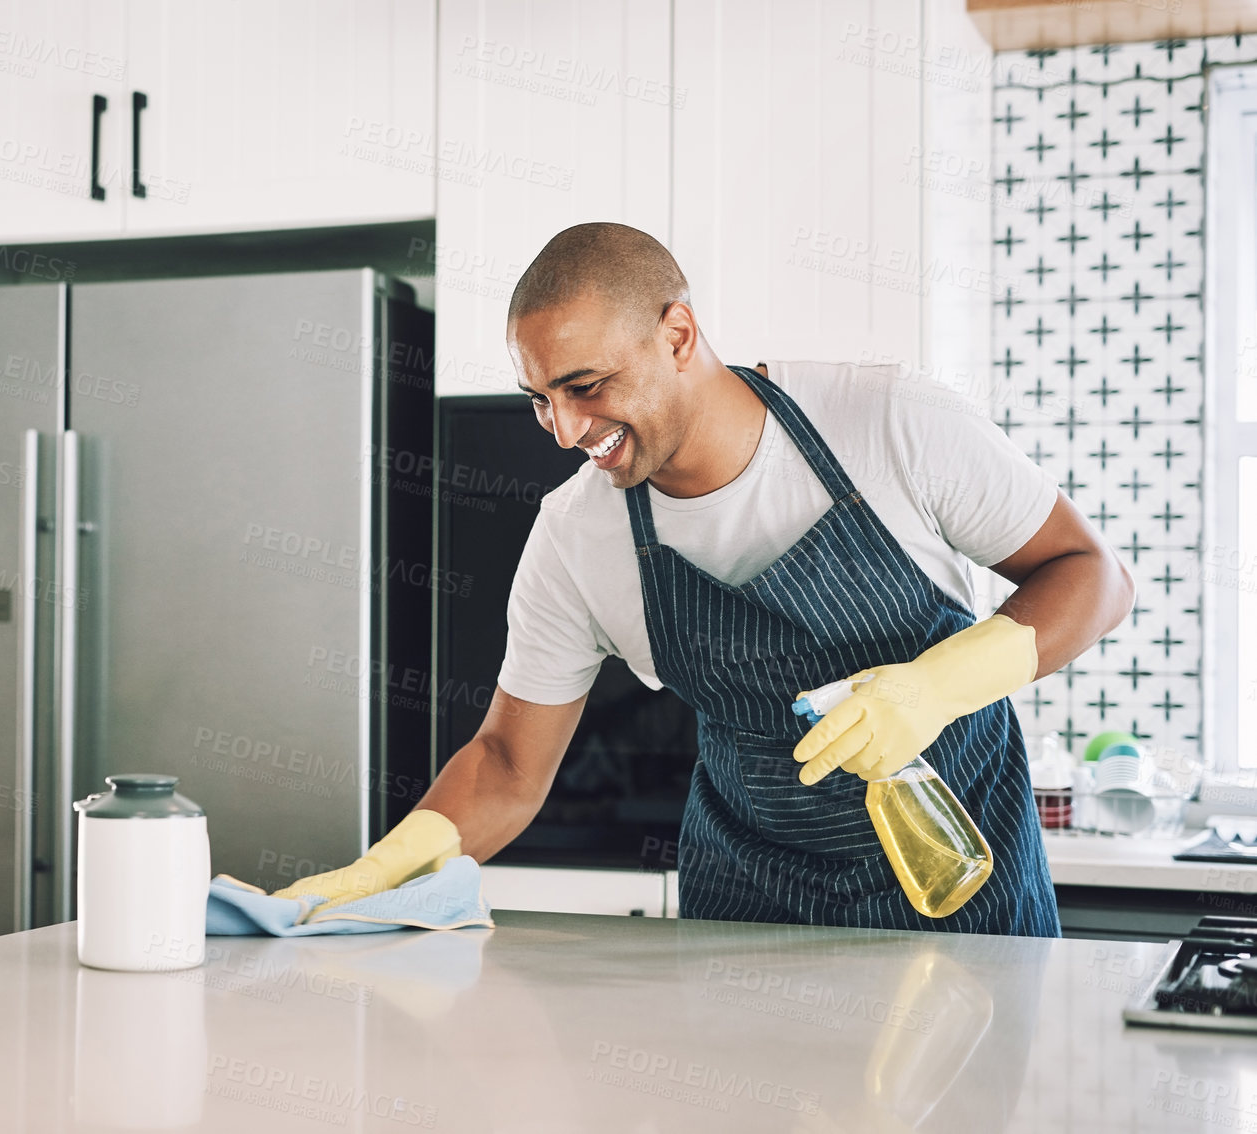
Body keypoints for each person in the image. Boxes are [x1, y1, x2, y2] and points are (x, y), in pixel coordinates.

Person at [275, 223, 1133, 935]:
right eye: (540, 397)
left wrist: (938, 686)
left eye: (586, 385)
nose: (564, 429)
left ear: (679, 335)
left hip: (962, 881)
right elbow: (505, 763)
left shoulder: (890, 422)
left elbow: (1092, 574)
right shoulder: (578, 537)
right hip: (746, 918)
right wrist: (383, 870)